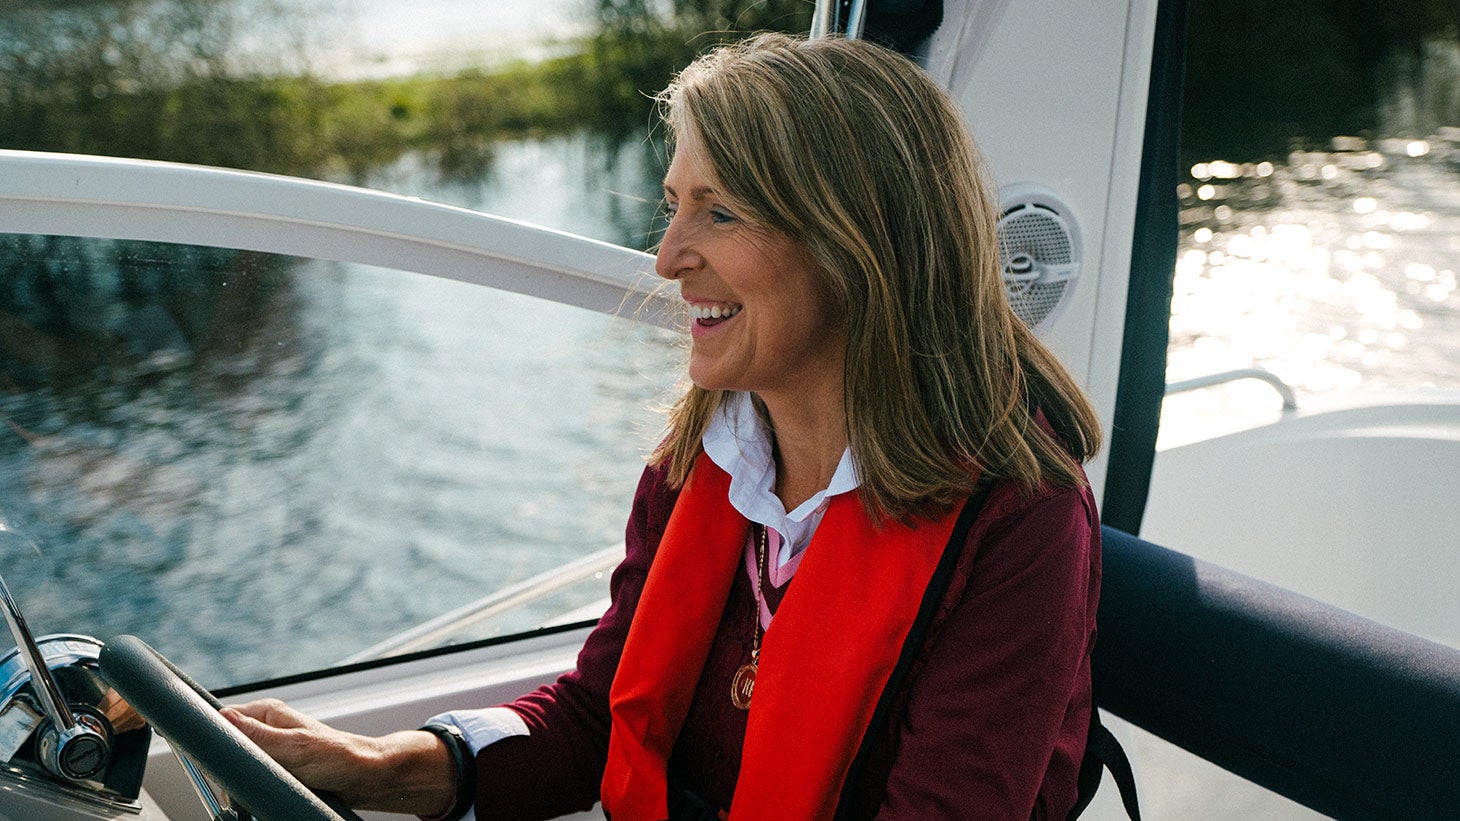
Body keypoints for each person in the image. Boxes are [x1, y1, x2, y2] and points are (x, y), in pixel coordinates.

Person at [223, 32, 1103, 820]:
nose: (668, 256)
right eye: (675, 203)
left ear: (857, 245)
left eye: (718, 212)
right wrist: (382, 764)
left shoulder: (1018, 523)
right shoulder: (704, 459)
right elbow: (596, 720)